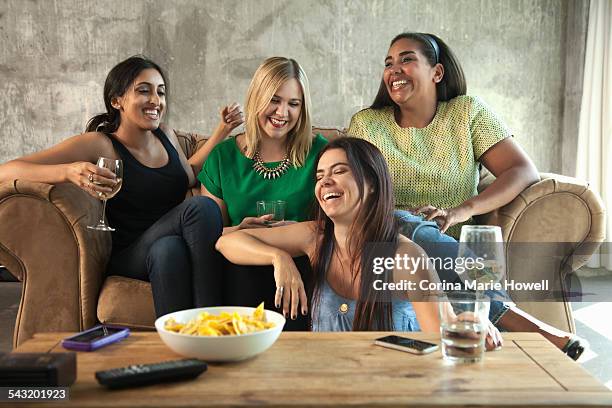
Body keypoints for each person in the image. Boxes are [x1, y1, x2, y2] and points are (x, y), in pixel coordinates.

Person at [348, 32, 583, 359]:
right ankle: (529, 326)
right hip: (387, 242)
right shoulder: (366, 124)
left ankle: (491, 337)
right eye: (388, 63)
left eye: (406, 60)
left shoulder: (466, 113)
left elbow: (521, 170)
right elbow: (353, 195)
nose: (394, 70)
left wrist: (460, 210)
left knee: (452, 280)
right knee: (400, 221)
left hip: (451, 250)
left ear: (437, 72)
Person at [0, 55, 244, 317]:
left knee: (168, 251)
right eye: (143, 91)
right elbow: (6, 170)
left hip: (167, 245)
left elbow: (189, 175)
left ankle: (181, 344)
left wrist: (221, 130)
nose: (155, 100)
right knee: (201, 207)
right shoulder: (100, 144)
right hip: (130, 254)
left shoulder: (166, 134)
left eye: (160, 92)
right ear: (117, 101)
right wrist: (68, 171)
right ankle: (214, 319)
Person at [217, 138, 504, 348]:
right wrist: (278, 258)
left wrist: (469, 324)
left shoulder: (404, 257)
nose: (325, 182)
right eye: (320, 176)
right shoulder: (314, 238)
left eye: (339, 171)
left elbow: (442, 334)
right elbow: (227, 243)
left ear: (371, 183)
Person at [198, 57, 328, 328]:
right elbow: (207, 235)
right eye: (274, 100)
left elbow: (335, 224)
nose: (282, 113)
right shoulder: (223, 157)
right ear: (257, 98)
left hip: (302, 261)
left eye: (294, 104)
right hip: (241, 263)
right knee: (242, 274)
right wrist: (258, 243)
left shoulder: (320, 153)